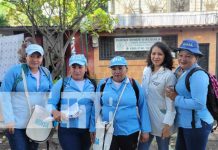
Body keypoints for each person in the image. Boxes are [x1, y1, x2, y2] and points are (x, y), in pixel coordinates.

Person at [91, 56, 151, 150]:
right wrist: (92, 128)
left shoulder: (134, 85)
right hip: (107, 130)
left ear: (126, 69)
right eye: (114, 68)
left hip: (130, 131)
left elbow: (143, 107)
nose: (117, 71)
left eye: (120, 68)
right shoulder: (103, 85)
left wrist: (145, 130)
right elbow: (96, 108)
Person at [1, 44, 53, 150]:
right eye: (32, 56)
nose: (35, 59)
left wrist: (51, 118)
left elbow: (51, 96)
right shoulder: (15, 71)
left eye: (38, 56)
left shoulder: (46, 73)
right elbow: (4, 95)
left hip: (36, 122)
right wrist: (9, 119)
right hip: (17, 123)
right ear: (26, 56)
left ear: (42, 58)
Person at [166, 39, 214, 150]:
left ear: (196, 58)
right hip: (186, 123)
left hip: (197, 125)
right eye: (181, 55)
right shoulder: (182, 71)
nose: (183, 59)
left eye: (188, 56)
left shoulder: (198, 75)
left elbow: (198, 103)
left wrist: (175, 98)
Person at [47, 54, 96, 150]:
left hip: (87, 130)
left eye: (80, 67)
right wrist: (54, 111)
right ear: (70, 68)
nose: (77, 70)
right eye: (74, 67)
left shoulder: (92, 85)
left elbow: (96, 108)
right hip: (67, 130)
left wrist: (93, 128)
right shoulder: (62, 84)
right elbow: (50, 102)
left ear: (85, 68)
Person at [138, 42, 177, 150]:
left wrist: (167, 125)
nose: (156, 57)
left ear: (165, 56)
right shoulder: (146, 70)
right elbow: (143, 91)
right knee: (141, 147)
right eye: (153, 53)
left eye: (160, 54)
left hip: (162, 121)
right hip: (146, 120)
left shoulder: (168, 75)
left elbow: (171, 103)